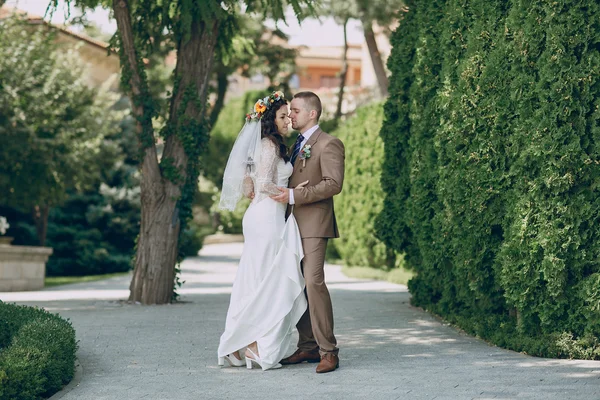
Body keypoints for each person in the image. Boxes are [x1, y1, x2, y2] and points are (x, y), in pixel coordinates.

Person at [217, 91, 308, 371]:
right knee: (269, 282)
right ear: (270, 119)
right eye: (282, 116)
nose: (288, 121)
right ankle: (255, 347)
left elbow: (251, 184)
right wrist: (293, 192)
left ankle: (236, 346)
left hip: (260, 215)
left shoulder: (264, 145)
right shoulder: (269, 145)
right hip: (267, 216)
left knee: (254, 280)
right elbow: (266, 184)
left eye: (288, 115)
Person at [271, 91, 345, 374]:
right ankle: (308, 347)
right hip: (289, 225)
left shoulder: (329, 144)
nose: (291, 115)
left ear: (312, 113)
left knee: (314, 282)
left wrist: (293, 196)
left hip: (314, 224)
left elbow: (332, 184)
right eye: (290, 111)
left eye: (297, 110)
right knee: (298, 284)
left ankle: (329, 350)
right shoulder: (294, 145)